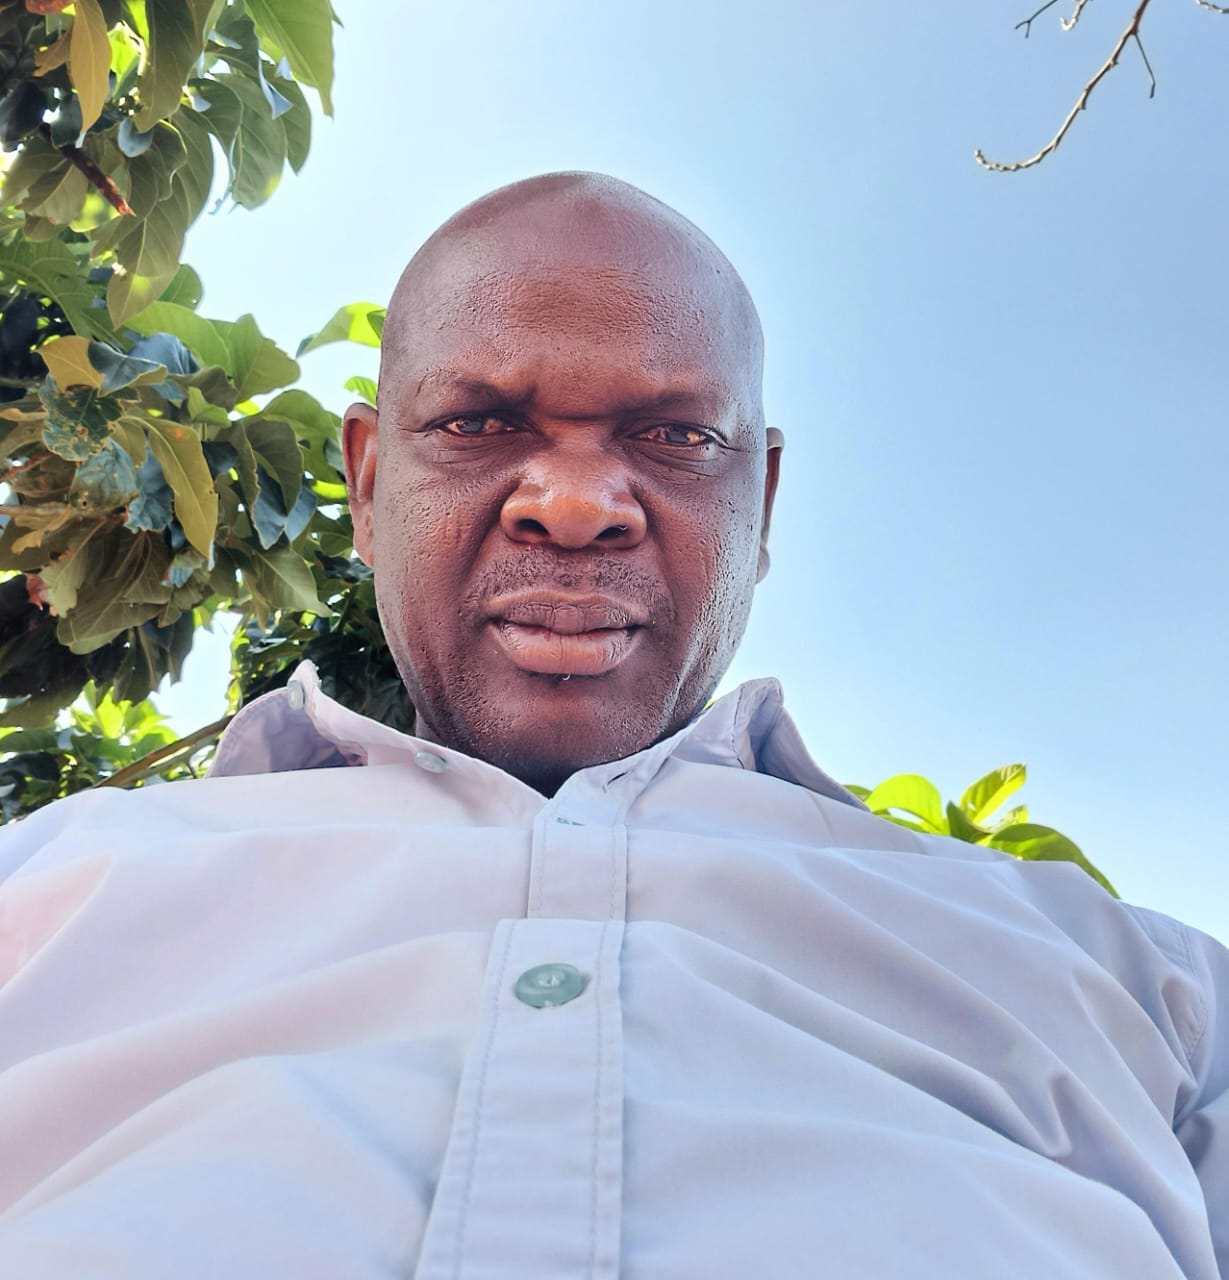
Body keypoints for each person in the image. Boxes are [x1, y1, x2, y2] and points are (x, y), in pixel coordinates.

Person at [0, 172, 1224, 1280]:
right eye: (477, 423)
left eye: (676, 436)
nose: (577, 502)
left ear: (760, 502)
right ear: (368, 485)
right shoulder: (46, 880)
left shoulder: (1149, 988)